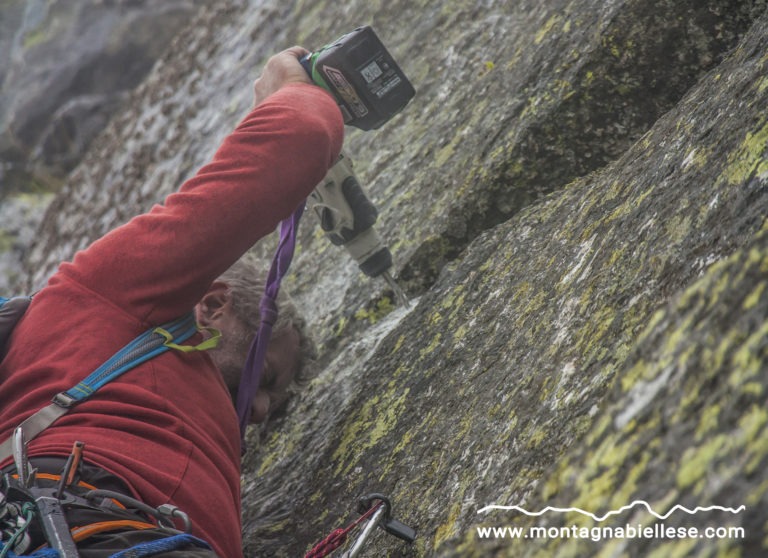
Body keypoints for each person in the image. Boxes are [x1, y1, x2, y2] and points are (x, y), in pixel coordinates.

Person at [0, 45, 344, 557]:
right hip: (82, 523)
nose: (262, 409)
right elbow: (300, 140)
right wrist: (293, 91)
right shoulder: (115, 292)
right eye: (266, 377)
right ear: (213, 305)